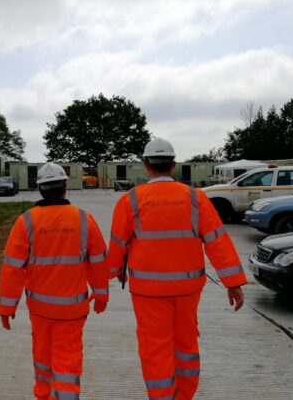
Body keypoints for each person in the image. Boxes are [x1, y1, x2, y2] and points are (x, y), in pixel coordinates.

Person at [108, 138, 247, 400]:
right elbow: (217, 241)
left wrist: (113, 271)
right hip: (187, 289)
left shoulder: (131, 200)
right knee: (185, 345)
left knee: (155, 349)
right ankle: (184, 395)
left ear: (145, 165)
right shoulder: (195, 198)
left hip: (148, 292)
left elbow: (118, 243)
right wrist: (233, 282)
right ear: (173, 165)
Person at [0, 162, 109, 400]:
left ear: (40, 189)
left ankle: (44, 396)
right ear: (64, 187)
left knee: (43, 360)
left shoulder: (26, 221)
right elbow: (98, 262)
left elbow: (12, 269)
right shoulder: (83, 219)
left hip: (40, 310)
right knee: (67, 363)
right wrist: (101, 295)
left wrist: (6, 308)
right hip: (72, 310)